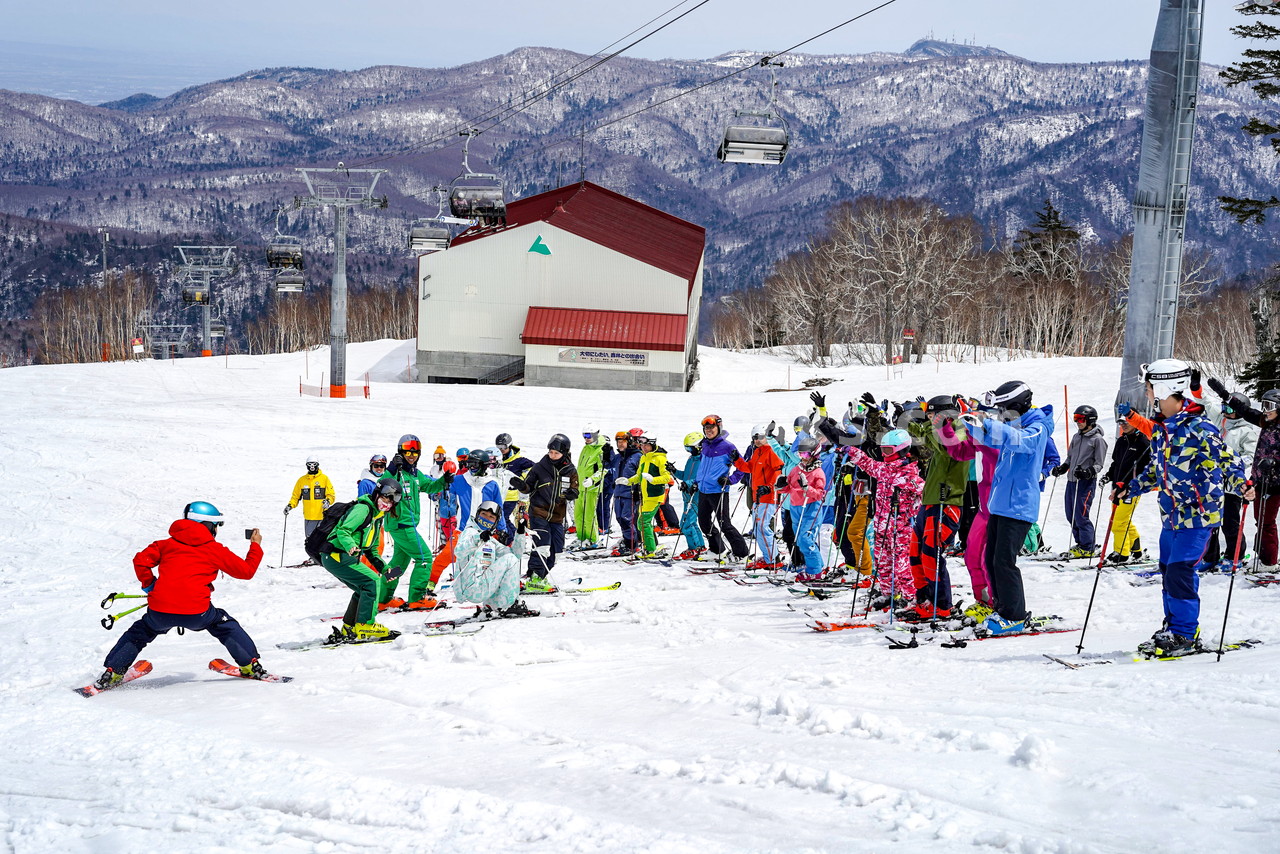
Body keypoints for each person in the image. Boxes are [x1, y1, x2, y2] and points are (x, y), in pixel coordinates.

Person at [1121, 360, 1250, 657]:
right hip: (1171, 514)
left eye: (1151, 388)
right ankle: (1173, 626)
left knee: (1180, 571)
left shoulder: (1199, 428)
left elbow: (1228, 460)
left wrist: (1244, 485)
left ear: (1167, 388)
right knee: (1168, 571)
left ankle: (1185, 634)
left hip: (1198, 514)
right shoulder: (1162, 430)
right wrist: (1132, 487)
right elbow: (1156, 470)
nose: (1149, 394)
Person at [90, 502, 270, 689]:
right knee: (223, 623)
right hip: (198, 613)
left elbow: (141, 562)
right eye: (216, 525)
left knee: (140, 632)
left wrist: (150, 585)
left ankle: (112, 673)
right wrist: (255, 545)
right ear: (208, 525)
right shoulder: (214, 549)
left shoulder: (165, 544)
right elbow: (246, 571)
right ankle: (251, 666)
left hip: (159, 612)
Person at [961, 380, 1054, 635]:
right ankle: (1001, 609)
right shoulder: (1013, 425)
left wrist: (989, 424)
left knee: (1004, 562)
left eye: (1003, 408)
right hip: (1000, 505)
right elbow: (990, 441)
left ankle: (1014, 615)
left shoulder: (1037, 427)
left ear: (1016, 405)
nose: (1000, 414)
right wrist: (970, 424)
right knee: (991, 560)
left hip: (1020, 506)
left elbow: (1023, 441)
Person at [903, 395, 971, 621]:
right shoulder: (938, 430)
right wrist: (908, 420)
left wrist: (933, 426)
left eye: (933, 415)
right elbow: (925, 435)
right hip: (930, 500)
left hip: (947, 501)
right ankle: (924, 599)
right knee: (916, 553)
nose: (930, 420)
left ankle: (942, 605)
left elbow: (947, 447)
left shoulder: (959, 431)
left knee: (933, 555)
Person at [1208, 378, 1280, 571]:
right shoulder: (1265, 422)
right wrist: (1225, 395)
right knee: (1261, 520)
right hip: (1260, 481)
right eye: (1264, 405)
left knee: (1266, 522)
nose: (1266, 410)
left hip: (1275, 483)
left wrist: (1274, 464)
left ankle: (1269, 562)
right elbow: (1245, 410)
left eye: (1270, 406)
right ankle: (1264, 555)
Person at [321, 479, 404, 642]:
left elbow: (371, 551)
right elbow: (343, 530)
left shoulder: (376, 517)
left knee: (363, 588)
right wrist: (351, 546)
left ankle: (349, 626)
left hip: (341, 556)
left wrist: (385, 569)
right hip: (336, 554)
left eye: (392, 501)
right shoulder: (362, 509)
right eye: (387, 497)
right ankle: (366, 624)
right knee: (372, 582)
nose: (388, 503)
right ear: (378, 494)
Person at [381, 434, 452, 610]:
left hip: (405, 526)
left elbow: (430, 486)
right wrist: (391, 467)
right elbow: (382, 484)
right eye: (407, 452)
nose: (411, 455)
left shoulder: (415, 475)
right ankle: (418, 597)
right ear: (400, 453)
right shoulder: (396, 473)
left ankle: (383, 599)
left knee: (398, 565)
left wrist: (445, 480)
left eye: (415, 452)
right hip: (401, 524)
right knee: (425, 558)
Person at [512, 434, 580, 591]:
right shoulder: (540, 467)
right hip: (539, 512)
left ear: (565, 453)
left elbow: (575, 488)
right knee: (542, 544)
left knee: (557, 549)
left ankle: (539, 577)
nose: (553, 456)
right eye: (551, 452)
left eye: (556, 453)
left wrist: (572, 493)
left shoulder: (570, 470)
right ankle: (534, 577)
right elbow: (528, 486)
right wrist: (521, 486)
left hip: (557, 516)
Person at [452, 500, 534, 617]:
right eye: (484, 514)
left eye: (491, 517)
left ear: (495, 522)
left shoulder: (490, 540)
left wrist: (520, 533)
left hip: (480, 587)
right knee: (509, 560)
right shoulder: (470, 532)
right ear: (477, 514)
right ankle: (508, 605)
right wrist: (477, 538)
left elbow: (515, 555)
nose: (486, 518)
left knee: (510, 559)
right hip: (471, 587)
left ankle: (492, 605)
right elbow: (459, 551)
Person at [1051, 405, 1108, 558]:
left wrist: (1087, 472)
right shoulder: (1077, 437)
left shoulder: (1098, 440)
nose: (1078, 422)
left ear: (1090, 420)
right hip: (1072, 481)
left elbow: (1099, 464)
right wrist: (1063, 468)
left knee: (1081, 514)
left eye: (1081, 419)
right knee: (1070, 514)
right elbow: (1070, 458)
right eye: (1076, 418)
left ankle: (1088, 546)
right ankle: (1080, 543)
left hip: (1085, 483)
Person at [695, 414, 750, 563]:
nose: (709, 430)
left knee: (724, 524)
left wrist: (730, 480)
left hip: (718, 491)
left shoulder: (728, 447)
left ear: (719, 427)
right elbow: (702, 466)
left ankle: (742, 553)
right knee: (704, 522)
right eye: (706, 428)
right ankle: (716, 549)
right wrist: (696, 481)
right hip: (703, 490)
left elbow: (743, 467)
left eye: (712, 427)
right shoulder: (705, 444)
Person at [1103, 406, 1152, 564]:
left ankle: (1121, 553)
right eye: (1120, 423)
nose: (1123, 425)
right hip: (1117, 488)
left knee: (1119, 522)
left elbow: (1147, 469)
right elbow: (1116, 463)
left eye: (1126, 422)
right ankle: (1136, 550)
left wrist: (1131, 486)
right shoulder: (1121, 441)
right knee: (1122, 520)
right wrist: (1108, 476)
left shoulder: (1143, 442)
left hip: (1131, 489)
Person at [735, 424, 783, 569]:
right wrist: (736, 460)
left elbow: (778, 471)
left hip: (768, 496)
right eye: (755, 438)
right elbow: (748, 468)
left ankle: (773, 558)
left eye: (761, 437)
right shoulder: (757, 453)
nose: (758, 440)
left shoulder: (770, 451)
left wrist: (769, 487)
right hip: (758, 496)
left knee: (762, 527)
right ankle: (769, 556)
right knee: (757, 529)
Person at [784, 436, 828, 578]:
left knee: (806, 540)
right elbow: (789, 487)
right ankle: (818, 567)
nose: (802, 458)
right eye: (800, 454)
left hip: (811, 509)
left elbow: (819, 495)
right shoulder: (796, 470)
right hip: (795, 508)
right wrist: (780, 486)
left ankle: (815, 572)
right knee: (800, 541)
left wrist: (806, 488)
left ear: (814, 454)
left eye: (806, 454)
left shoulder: (818, 472)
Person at [626, 433, 673, 559]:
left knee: (643, 522)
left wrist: (653, 479)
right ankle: (649, 547)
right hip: (645, 496)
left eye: (646, 445)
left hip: (655, 495)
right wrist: (628, 481)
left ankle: (651, 550)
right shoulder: (643, 457)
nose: (643, 447)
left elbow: (667, 477)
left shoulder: (660, 458)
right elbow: (639, 475)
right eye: (641, 445)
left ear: (652, 444)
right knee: (641, 522)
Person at [285, 455, 335, 565]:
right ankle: (313, 557)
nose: (312, 467)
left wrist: (327, 501)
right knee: (310, 538)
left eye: (314, 465)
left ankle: (324, 557)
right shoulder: (302, 481)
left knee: (323, 537)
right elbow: (295, 496)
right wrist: (290, 505)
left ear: (318, 465)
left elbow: (331, 495)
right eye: (309, 465)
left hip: (322, 515)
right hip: (309, 516)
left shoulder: (324, 479)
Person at [668, 432, 708, 560]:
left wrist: (689, 484)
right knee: (691, 523)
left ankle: (694, 548)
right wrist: (674, 471)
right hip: (687, 495)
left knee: (686, 523)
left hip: (696, 495)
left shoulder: (704, 459)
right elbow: (686, 475)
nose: (689, 451)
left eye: (691, 448)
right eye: (687, 449)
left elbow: (701, 478)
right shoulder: (691, 459)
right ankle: (700, 546)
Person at [572, 425, 607, 550]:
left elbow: (604, 469)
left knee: (589, 515)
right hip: (580, 487)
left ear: (596, 434)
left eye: (588, 436)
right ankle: (582, 538)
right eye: (584, 435)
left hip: (592, 488)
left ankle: (593, 539)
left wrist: (593, 479)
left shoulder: (601, 450)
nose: (586, 438)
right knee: (578, 515)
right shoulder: (586, 448)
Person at [611, 430, 642, 556]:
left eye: (622, 442)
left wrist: (637, 489)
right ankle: (627, 540)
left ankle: (632, 544)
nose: (620, 444)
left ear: (629, 442)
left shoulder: (637, 456)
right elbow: (608, 466)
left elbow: (641, 475)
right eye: (618, 442)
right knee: (619, 518)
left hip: (630, 493)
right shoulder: (618, 457)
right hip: (618, 493)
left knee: (627, 520)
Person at [495, 433, 535, 526]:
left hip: (513, 496)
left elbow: (536, 469)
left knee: (505, 519)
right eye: (498, 447)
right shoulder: (496, 460)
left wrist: (523, 479)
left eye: (503, 447)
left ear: (509, 445)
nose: (501, 450)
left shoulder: (518, 461)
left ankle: (512, 537)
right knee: (499, 519)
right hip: (499, 496)